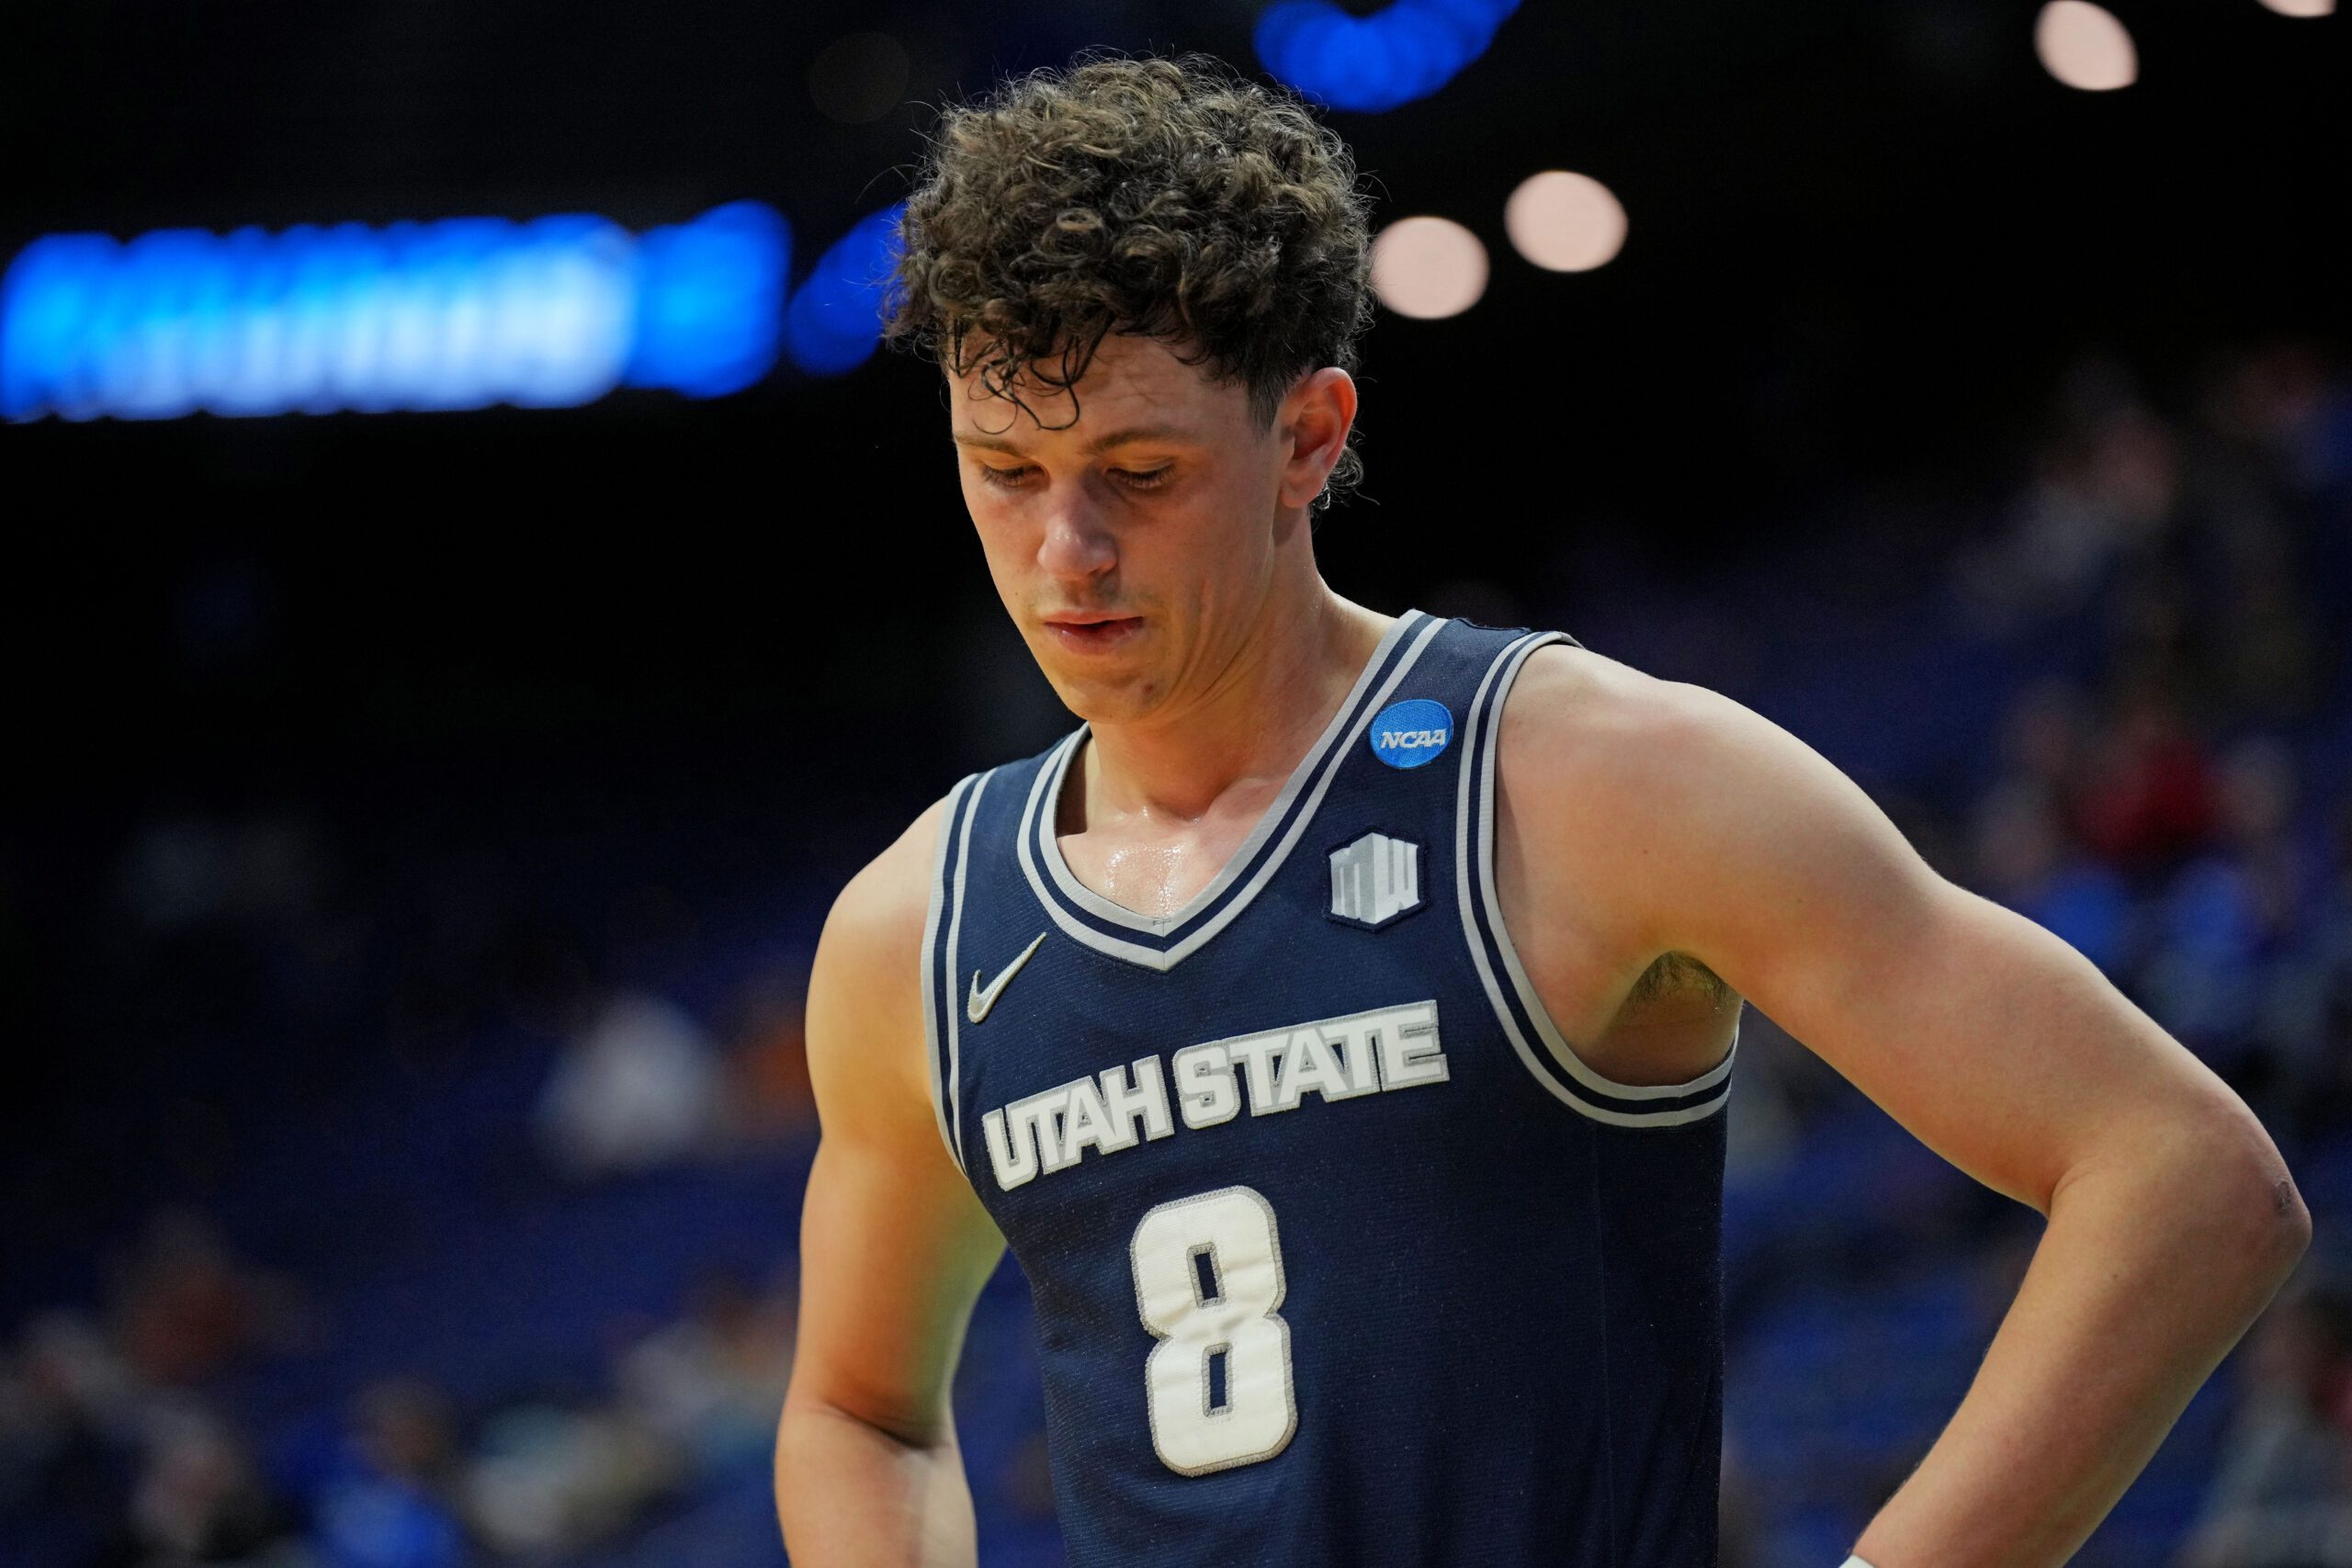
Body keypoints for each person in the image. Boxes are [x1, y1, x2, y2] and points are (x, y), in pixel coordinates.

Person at [774, 52, 2309, 1568]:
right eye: (1006, 472)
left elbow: (2183, 1177)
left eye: (1139, 472)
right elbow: (860, 1412)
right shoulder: (918, 927)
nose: (1066, 552)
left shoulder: (1590, 780)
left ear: (1308, 437)